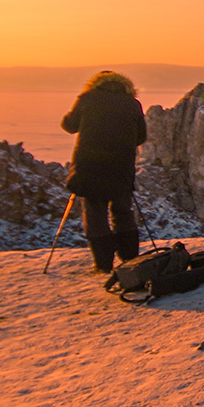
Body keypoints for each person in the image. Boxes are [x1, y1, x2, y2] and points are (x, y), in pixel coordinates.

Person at [60, 71, 148, 273]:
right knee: (123, 212)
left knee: (95, 214)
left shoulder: (87, 99)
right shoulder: (132, 103)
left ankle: (103, 263)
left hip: (90, 166)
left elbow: (69, 126)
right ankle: (129, 259)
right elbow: (140, 137)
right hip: (121, 167)